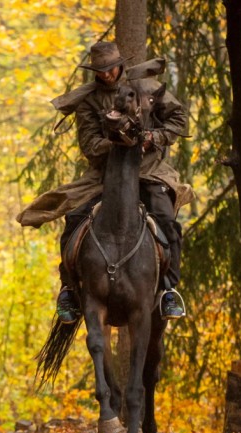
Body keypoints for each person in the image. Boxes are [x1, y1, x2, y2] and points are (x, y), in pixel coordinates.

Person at [16, 41, 193, 323]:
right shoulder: (88, 101)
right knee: (74, 218)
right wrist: (118, 143)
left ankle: (169, 290)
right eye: (101, 70)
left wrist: (153, 138)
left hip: (148, 170)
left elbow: (179, 118)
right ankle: (70, 291)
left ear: (120, 65)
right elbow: (89, 144)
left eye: (110, 68)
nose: (107, 74)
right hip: (104, 175)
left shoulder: (146, 88)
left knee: (166, 219)